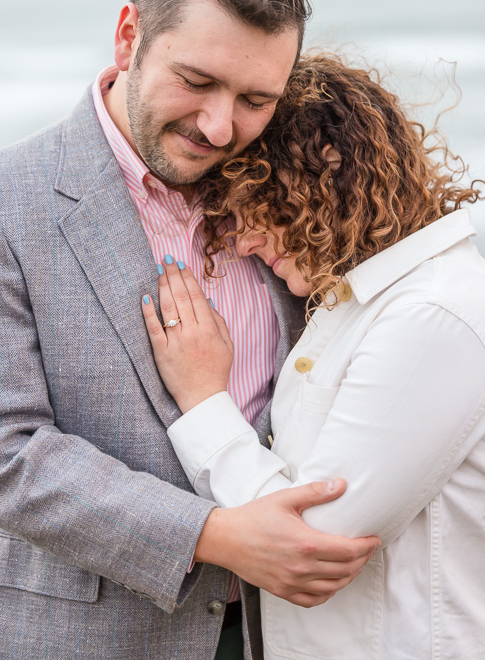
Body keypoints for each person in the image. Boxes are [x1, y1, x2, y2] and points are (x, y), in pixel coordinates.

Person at [0, 0, 379, 660]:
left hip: (278, 636)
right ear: (129, 35)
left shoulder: (293, 191)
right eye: (196, 81)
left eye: (257, 99)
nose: (221, 127)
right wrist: (214, 536)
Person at [141, 53, 485, 659]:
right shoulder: (358, 299)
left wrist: (204, 399)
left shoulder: (433, 313)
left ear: (325, 182)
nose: (242, 239)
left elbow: (310, 543)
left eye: (258, 203)